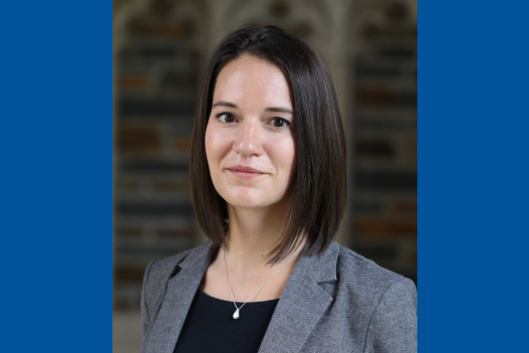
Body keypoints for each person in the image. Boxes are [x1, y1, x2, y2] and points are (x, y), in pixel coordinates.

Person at [140, 25, 417, 353]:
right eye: (228, 116)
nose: (246, 145)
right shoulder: (162, 282)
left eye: (278, 122)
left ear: (314, 142)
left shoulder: (377, 301)